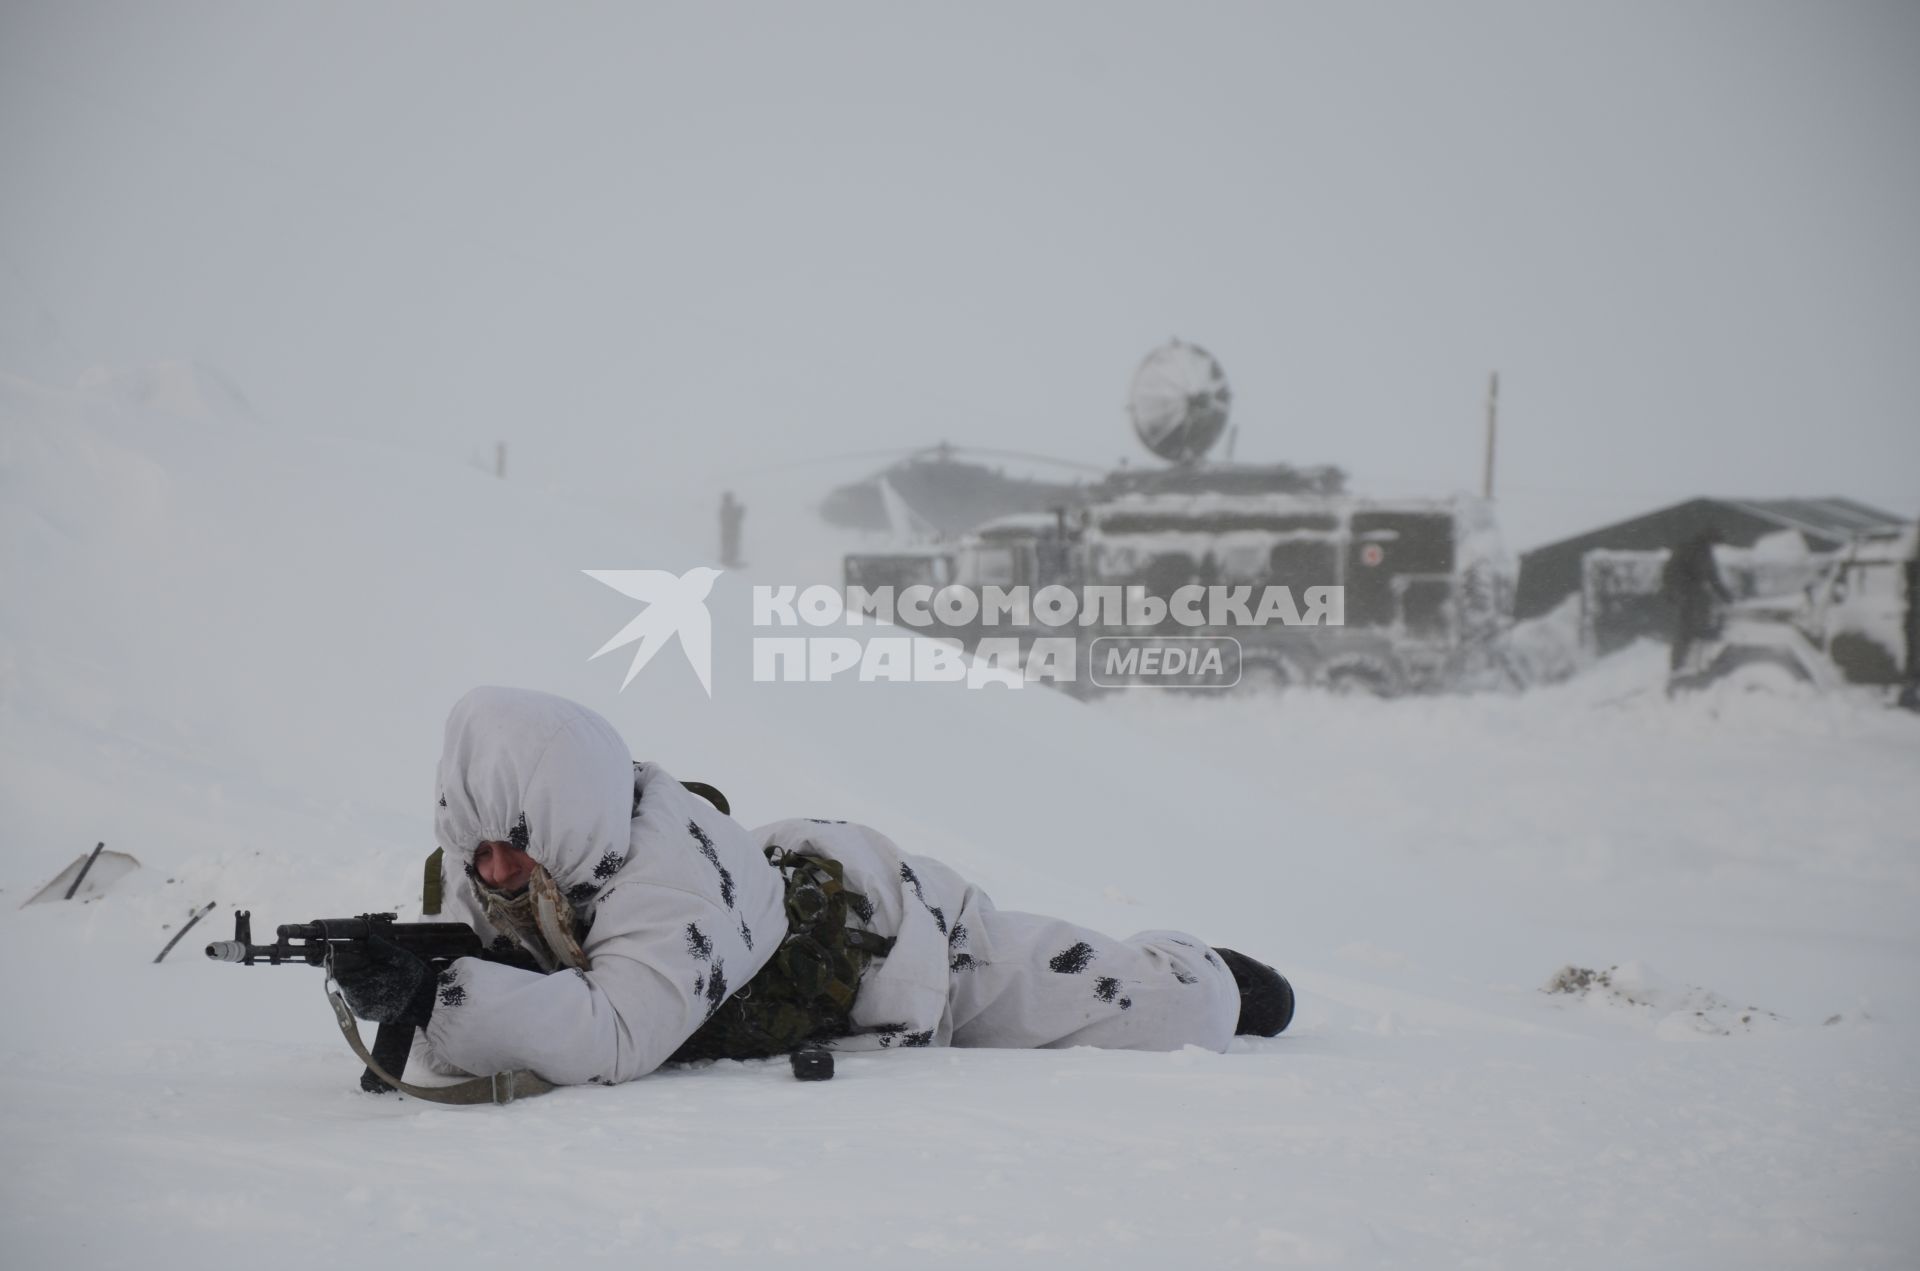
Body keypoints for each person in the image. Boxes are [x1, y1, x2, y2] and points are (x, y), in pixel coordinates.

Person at [333, 687, 1292, 1087]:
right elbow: (508, 966)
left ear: (566, 818)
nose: (491, 874)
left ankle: (1209, 973)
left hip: (906, 945)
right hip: (788, 913)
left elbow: (613, 1031)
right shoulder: (493, 861)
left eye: (511, 848)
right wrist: (407, 983)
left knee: (1140, 1006)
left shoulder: (671, 883)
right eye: (479, 851)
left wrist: (435, 1000)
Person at [1662, 527, 1732, 679]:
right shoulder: (1700, 551)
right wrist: (1727, 597)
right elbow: (1712, 576)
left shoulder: (1689, 546)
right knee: (1689, 630)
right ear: (1710, 541)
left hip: (1684, 592)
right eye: (1715, 543)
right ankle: (1680, 668)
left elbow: (1670, 572)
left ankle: (1683, 665)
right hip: (1686, 593)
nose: (1716, 547)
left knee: (1689, 629)